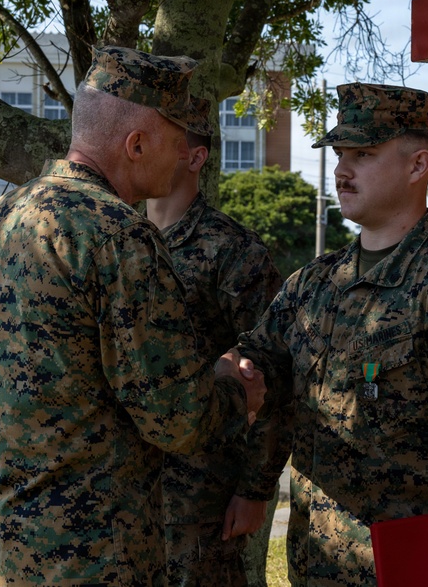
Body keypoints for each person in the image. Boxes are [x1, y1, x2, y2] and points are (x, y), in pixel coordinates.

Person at [0, 46, 266, 586]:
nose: (185, 153)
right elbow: (176, 418)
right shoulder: (119, 237)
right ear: (136, 144)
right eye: (177, 140)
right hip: (91, 561)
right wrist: (233, 389)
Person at [235, 82, 428, 587]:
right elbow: (262, 369)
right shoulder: (314, 283)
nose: (341, 169)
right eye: (340, 154)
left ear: (418, 165)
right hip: (315, 564)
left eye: (364, 153)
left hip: (410, 568)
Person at [147, 105, 285, 587]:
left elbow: (274, 372)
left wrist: (255, 489)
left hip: (199, 497)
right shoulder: (117, 240)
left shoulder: (232, 251)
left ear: (195, 156)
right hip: (118, 494)